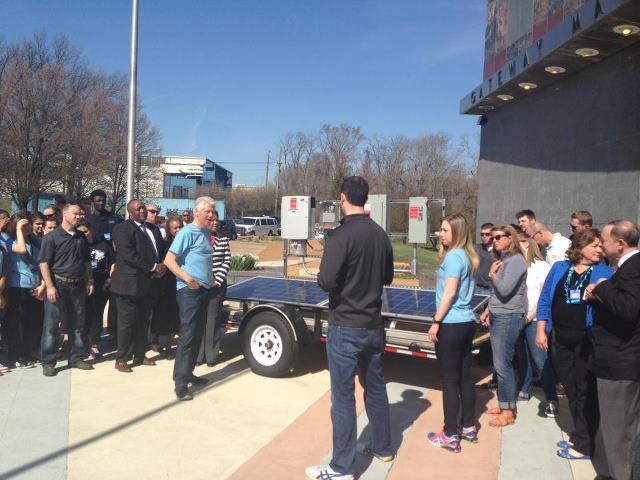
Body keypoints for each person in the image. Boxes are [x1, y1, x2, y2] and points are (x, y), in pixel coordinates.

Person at [307, 176, 394, 480]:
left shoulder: (339, 236)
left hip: (345, 325)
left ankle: (341, 467)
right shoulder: (381, 235)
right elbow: (388, 278)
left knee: (342, 398)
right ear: (365, 198)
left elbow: (326, 282)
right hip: (372, 324)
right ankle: (383, 446)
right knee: (375, 387)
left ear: (342, 198)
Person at [536, 228, 612, 461]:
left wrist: (600, 290)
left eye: (601, 245)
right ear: (580, 247)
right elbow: (546, 298)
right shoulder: (560, 268)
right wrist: (541, 329)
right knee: (569, 389)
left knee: (584, 392)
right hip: (560, 338)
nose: (600, 249)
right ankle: (579, 434)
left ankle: (584, 444)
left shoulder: (605, 272)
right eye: (595, 245)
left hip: (586, 340)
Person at [585, 220, 640, 479]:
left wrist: (603, 286)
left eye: (604, 241)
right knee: (612, 427)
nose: (601, 245)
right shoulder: (624, 268)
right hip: (614, 360)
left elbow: (629, 309)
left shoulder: (634, 268)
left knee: (619, 431)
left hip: (621, 363)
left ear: (620, 244)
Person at [426, 213, 480, 453]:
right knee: (465, 377)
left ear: (457, 233)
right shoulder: (468, 257)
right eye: (441, 229)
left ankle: (449, 434)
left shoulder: (453, 258)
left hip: (451, 324)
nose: (441, 233)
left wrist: (436, 320)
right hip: (467, 321)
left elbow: (449, 293)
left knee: (450, 381)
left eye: (445, 230)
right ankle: (468, 426)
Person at [164, 197, 216, 401]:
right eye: (208, 212)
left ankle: (189, 372)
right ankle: (180, 384)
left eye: (212, 212)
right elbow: (169, 260)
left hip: (203, 290)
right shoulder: (187, 232)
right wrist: (187, 278)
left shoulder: (205, 232)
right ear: (197, 212)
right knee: (187, 336)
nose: (211, 215)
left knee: (197, 334)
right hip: (189, 291)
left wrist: (208, 279)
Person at [479, 224, 527, 427]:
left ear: (511, 238)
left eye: (499, 237)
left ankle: (508, 412)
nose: (494, 240)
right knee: (499, 364)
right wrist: (489, 308)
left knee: (502, 364)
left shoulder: (516, 261)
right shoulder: (505, 260)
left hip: (508, 317)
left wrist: (492, 275)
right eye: (493, 237)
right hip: (499, 314)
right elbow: (497, 294)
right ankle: (504, 402)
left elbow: (505, 290)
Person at [39, 204, 95, 376]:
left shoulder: (81, 237)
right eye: (75, 213)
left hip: (78, 285)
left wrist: (90, 280)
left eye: (81, 214)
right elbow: (44, 263)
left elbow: (86, 261)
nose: (79, 216)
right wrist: (49, 286)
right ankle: (49, 362)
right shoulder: (52, 237)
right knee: (52, 325)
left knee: (77, 324)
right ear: (64, 214)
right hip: (58, 285)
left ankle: (77, 357)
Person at [110, 200, 166, 373]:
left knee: (142, 321)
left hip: (148, 283)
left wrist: (161, 266)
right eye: (139, 209)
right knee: (127, 323)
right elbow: (128, 254)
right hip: (129, 284)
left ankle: (139, 355)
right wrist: (152, 267)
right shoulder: (122, 229)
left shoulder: (153, 229)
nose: (143, 211)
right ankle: (122, 359)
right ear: (130, 212)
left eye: (144, 208)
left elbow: (161, 251)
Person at [515, 234, 558, 415]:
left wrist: (531, 315)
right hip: (518, 318)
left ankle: (551, 398)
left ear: (529, 243)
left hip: (534, 320)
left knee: (540, 361)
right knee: (522, 358)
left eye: (520, 242)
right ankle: (524, 390)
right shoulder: (515, 265)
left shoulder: (541, 267)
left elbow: (544, 295)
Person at [5, 215, 46, 368]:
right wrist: (17, 230)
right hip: (17, 285)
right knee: (18, 323)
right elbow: (21, 250)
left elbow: (42, 263)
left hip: (34, 285)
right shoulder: (10, 242)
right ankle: (18, 354)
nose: (28, 228)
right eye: (24, 226)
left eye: (29, 225)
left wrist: (43, 284)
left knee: (32, 322)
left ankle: (30, 351)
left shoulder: (36, 242)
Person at [198, 211, 231, 366]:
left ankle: (211, 356)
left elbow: (226, 260)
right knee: (199, 321)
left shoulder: (223, 238)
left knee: (212, 321)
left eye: (217, 220)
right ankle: (198, 356)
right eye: (212, 220)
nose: (216, 223)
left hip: (216, 287)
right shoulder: (199, 237)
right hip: (198, 286)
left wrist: (217, 280)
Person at [150, 216, 183, 359]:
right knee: (164, 316)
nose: (178, 230)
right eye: (175, 228)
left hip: (183, 283)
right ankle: (154, 341)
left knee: (176, 318)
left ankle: (169, 347)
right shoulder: (165, 245)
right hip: (167, 284)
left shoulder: (188, 243)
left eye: (180, 227)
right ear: (169, 230)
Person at [83, 223, 114, 361]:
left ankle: (94, 343)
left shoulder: (103, 244)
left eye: (86, 231)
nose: (84, 234)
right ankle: (81, 344)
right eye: (81, 232)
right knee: (83, 313)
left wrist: (111, 275)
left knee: (97, 313)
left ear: (91, 231)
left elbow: (113, 260)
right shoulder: (77, 244)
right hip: (82, 281)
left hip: (101, 281)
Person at [475, 222, 494, 295]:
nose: (484, 236)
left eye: (487, 234)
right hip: (477, 288)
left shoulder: (499, 251)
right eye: (482, 234)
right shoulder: (476, 248)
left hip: (491, 289)